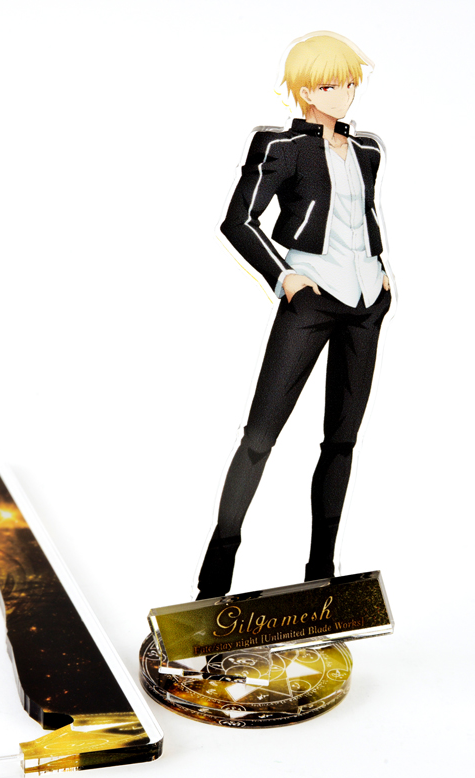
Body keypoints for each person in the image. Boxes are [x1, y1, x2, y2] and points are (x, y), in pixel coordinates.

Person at [197, 33, 392, 599]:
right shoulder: (282, 146)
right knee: (260, 437)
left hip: (365, 303)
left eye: (350, 82)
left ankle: (320, 578)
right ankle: (214, 581)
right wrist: (284, 276)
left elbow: (361, 215)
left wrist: (381, 270)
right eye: (332, 84)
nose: (345, 93)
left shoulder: (369, 150)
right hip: (309, 298)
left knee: (342, 441)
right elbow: (239, 220)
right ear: (306, 89)